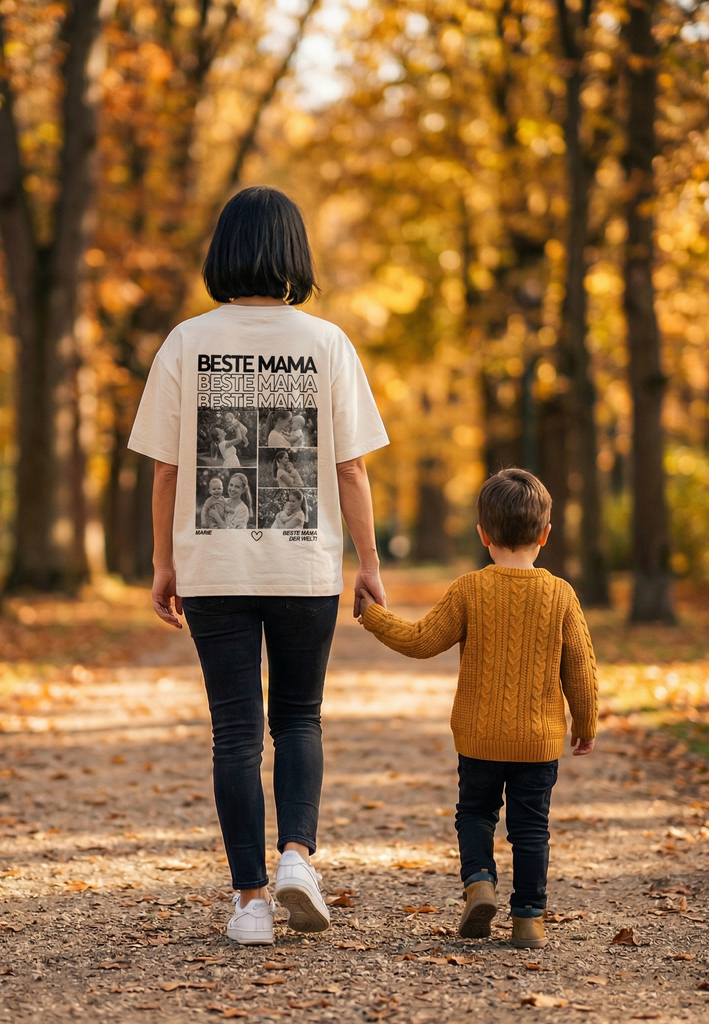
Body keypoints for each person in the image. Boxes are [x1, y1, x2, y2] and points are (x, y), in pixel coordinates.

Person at [127, 185, 389, 947]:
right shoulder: (328, 343)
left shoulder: (185, 342)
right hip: (306, 570)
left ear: (223, 252)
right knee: (300, 718)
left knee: (235, 733)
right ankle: (297, 859)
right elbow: (351, 469)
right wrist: (367, 564)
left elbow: (167, 472)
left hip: (214, 565)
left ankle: (249, 904)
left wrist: (163, 562)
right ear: (294, 255)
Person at [356, 468, 598, 950]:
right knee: (532, 829)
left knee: (475, 813)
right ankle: (528, 918)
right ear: (546, 534)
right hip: (538, 740)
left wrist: (374, 615)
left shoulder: (470, 588)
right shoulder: (561, 594)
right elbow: (581, 669)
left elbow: (422, 641)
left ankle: (480, 882)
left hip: (479, 737)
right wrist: (586, 723)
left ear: (483, 533)